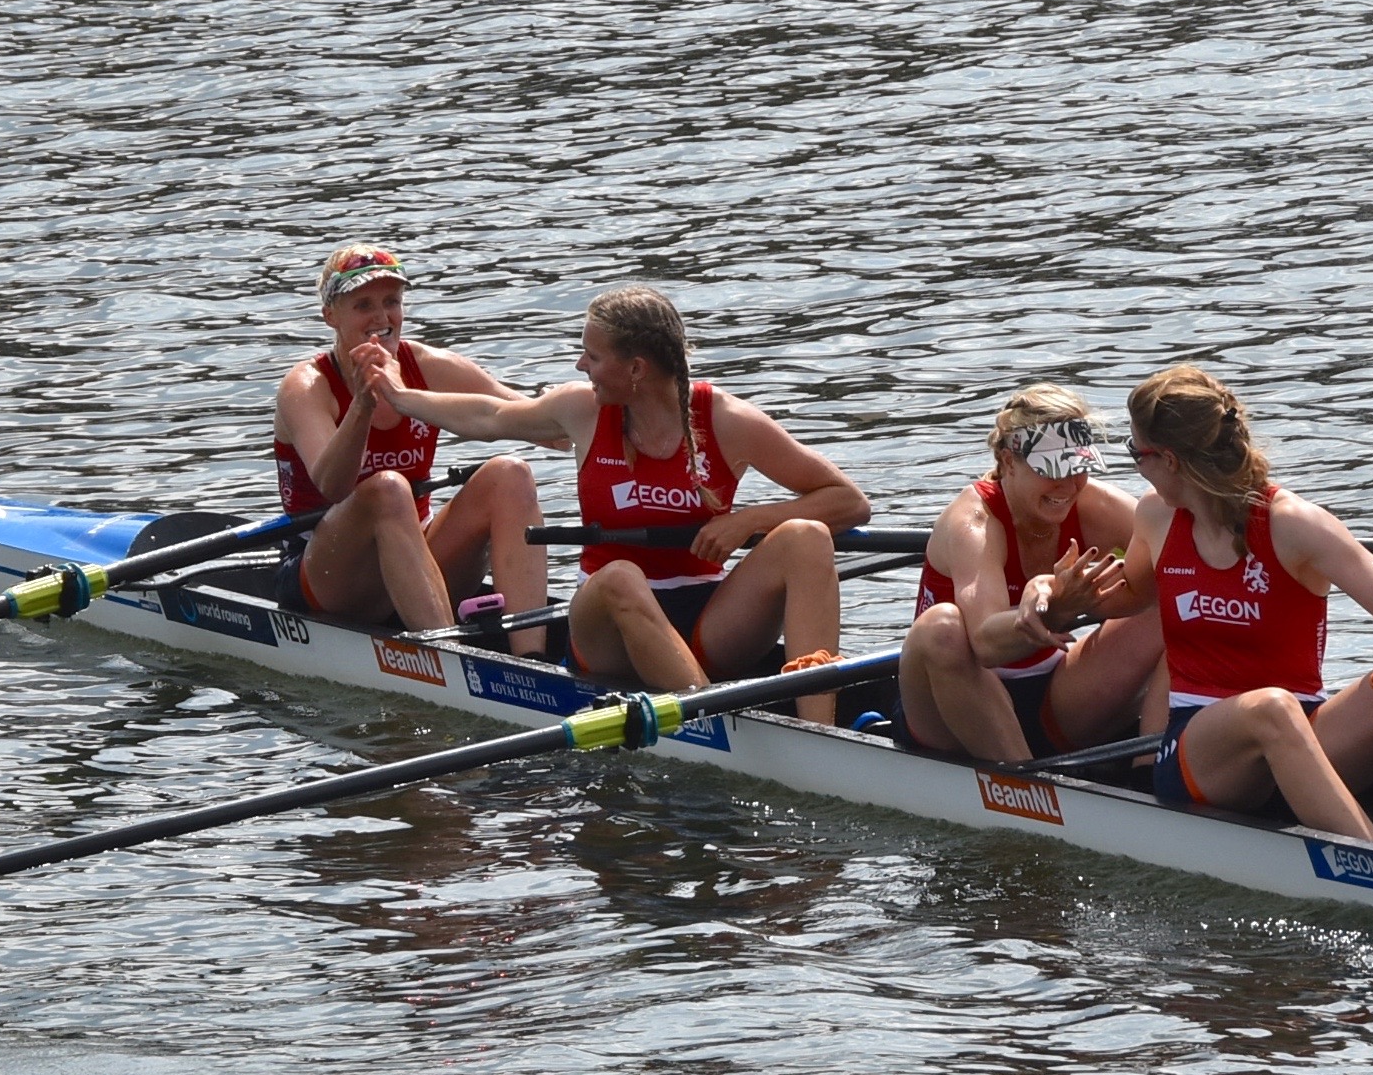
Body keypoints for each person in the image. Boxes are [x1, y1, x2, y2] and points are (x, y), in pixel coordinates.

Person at [1045, 365, 1373, 854]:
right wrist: (1059, 600)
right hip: (1201, 753)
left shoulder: (1294, 525)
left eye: (1136, 454)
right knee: (1271, 707)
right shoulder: (1156, 515)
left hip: (1304, 734)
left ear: (1168, 459)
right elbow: (1133, 594)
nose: (1137, 467)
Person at [367, 285, 870, 722]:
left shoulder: (728, 421)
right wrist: (399, 394)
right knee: (622, 576)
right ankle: (711, 718)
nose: (580, 365)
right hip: (605, 627)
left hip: (709, 619)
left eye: (592, 355)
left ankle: (818, 730)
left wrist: (751, 520)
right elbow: (490, 415)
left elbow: (848, 501)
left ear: (636, 368)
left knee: (805, 538)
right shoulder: (582, 410)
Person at [272, 244, 555, 655]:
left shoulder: (428, 365)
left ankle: (531, 657)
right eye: (363, 305)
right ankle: (452, 660)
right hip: (328, 575)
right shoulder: (306, 387)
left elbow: (540, 424)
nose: (381, 318)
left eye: (391, 302)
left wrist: (599, 405)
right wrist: (363, 405)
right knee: (388, 488)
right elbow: (332, 486)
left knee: (510, 474)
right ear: (330, 315)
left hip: (412, 558)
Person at [895, 385, 1164, 763]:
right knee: (943, 627)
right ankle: (1031, 785)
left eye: (1077, 468)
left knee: (1173, 595)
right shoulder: (974, 522)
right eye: (1051, 470)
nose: (1068, 486)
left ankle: (1151, 767)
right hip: (950, 705)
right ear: (1008, 462)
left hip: (1051, 692)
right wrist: (1052, 611)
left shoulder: (1096, 506)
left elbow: (1188, 556)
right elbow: (986, 645)